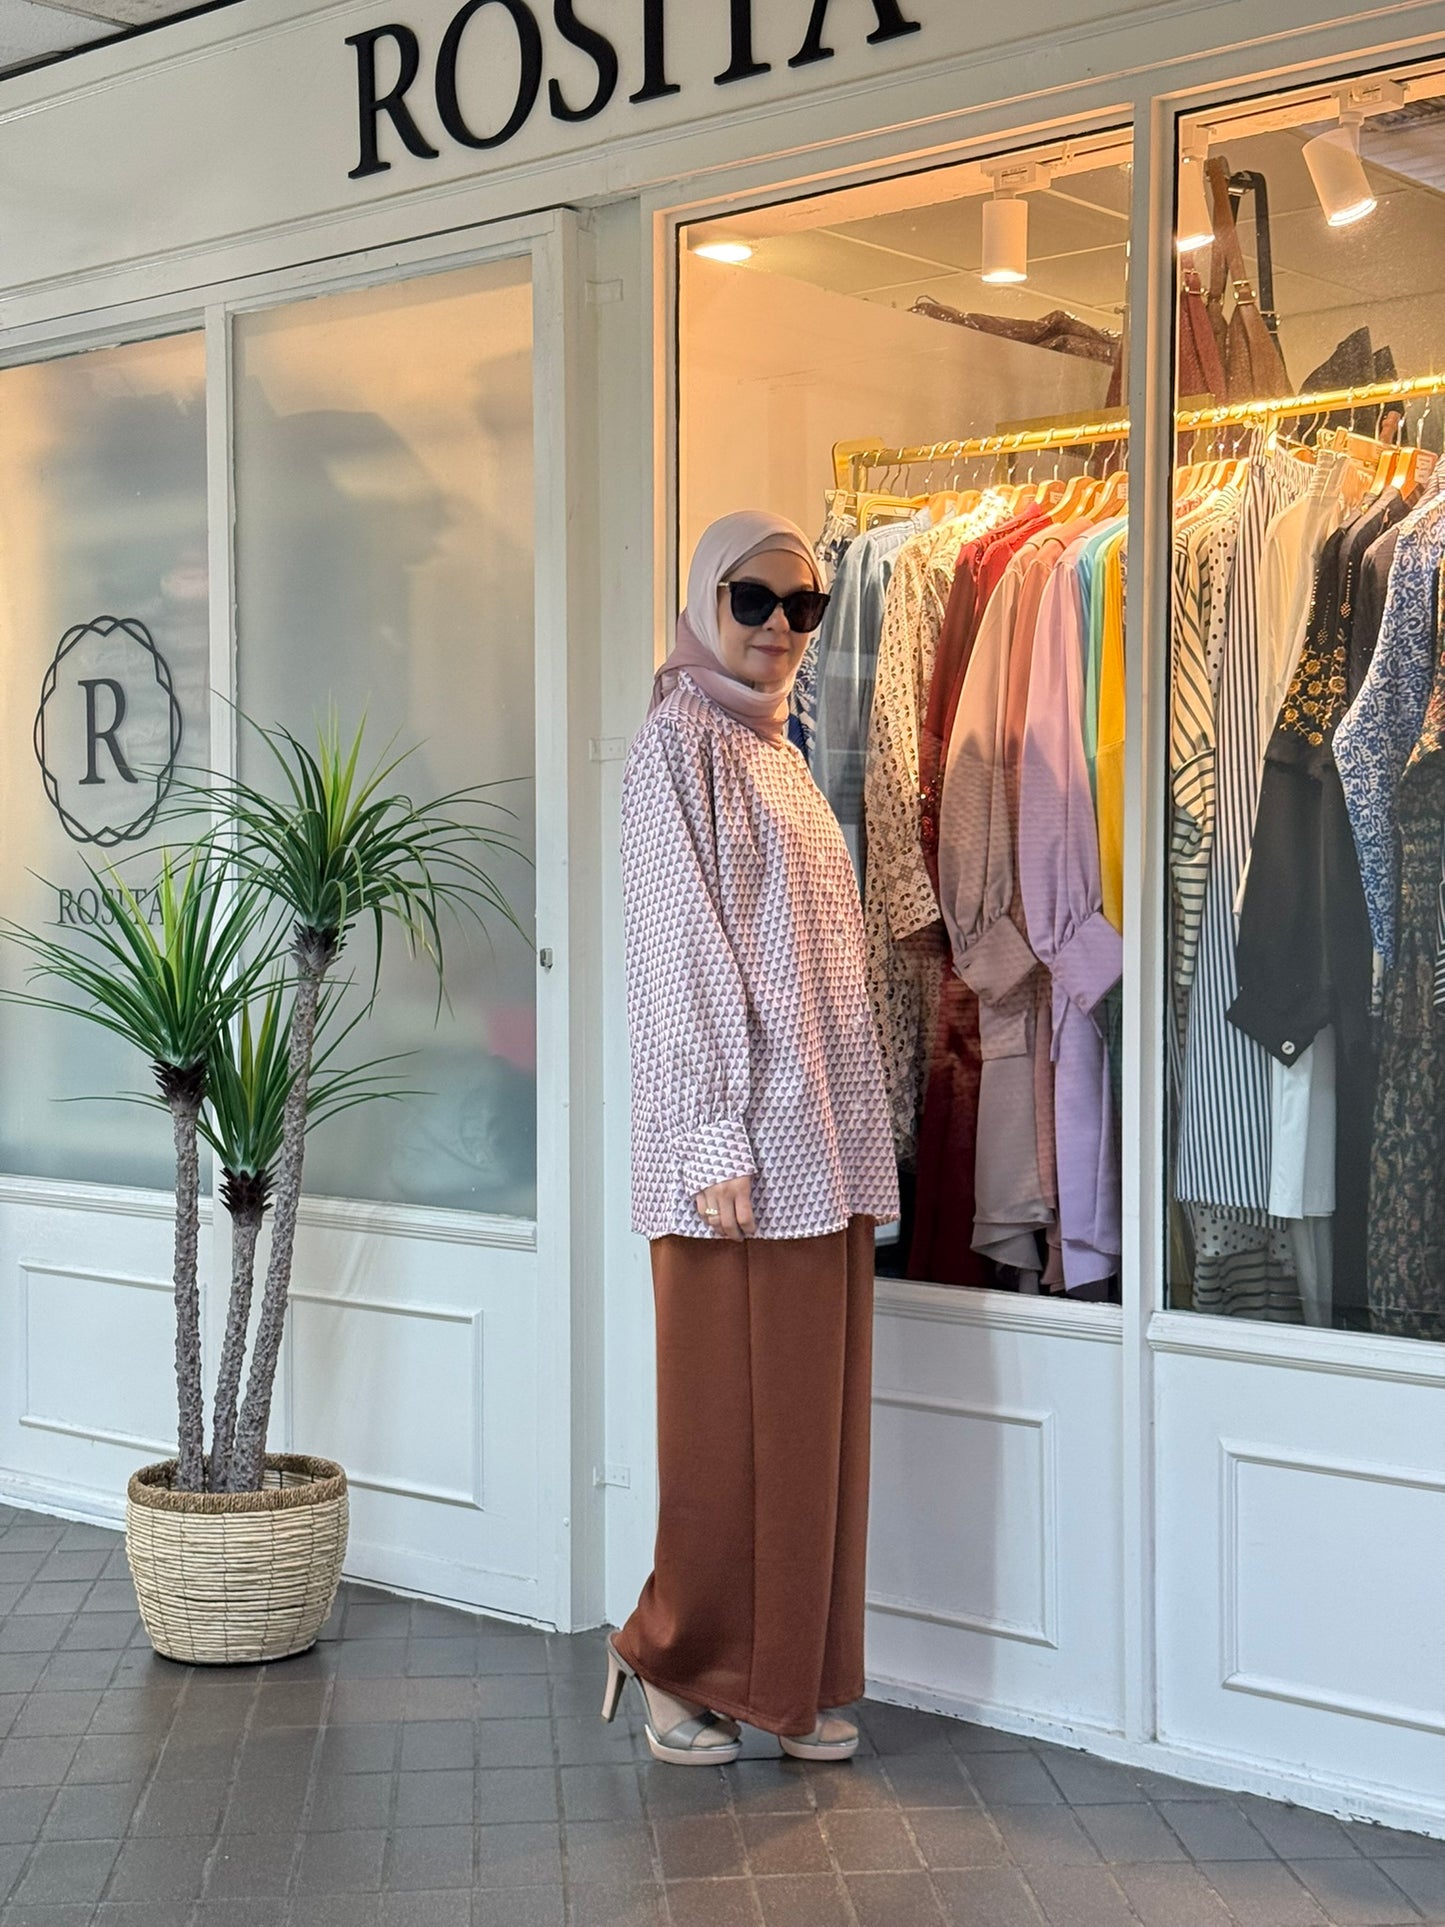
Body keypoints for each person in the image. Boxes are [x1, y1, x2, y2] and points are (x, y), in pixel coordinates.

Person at [602, 510, 899, 1765]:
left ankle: (787, 1678)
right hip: (729, 1157)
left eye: (802, 607)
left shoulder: (774, 750)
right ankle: (670, 1662)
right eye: (751, 599)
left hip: (816, 1149)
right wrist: (713, 1129)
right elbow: (677, 952)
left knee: (810, 1429)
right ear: (701, 602)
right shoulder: (675, 744)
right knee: (722, 1433)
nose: (777, 627)